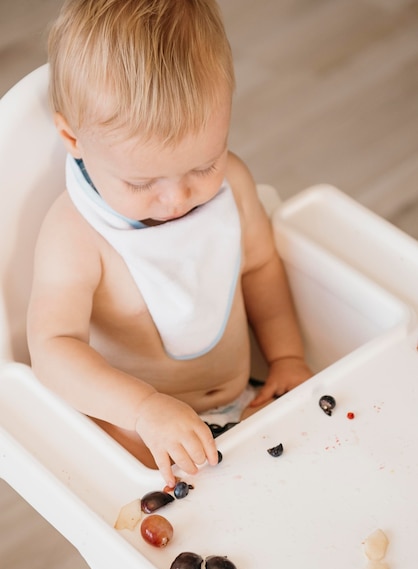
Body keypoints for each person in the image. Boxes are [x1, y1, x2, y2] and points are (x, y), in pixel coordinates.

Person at [27, 0, 312, 487]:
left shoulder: (233, 187)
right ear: (72, 138)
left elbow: (261, 267)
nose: (178, 198)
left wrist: (287, 357)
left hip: (246, 407)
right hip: (141, 441)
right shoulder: (75, 233)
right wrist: (143, 409)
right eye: (141, 184)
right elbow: (53, 349)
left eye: (204, 165)